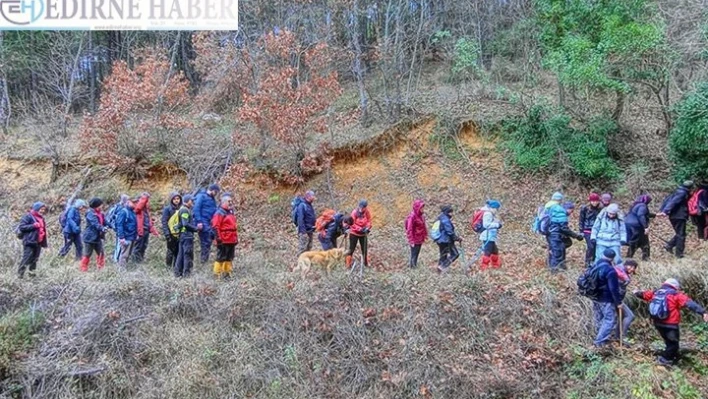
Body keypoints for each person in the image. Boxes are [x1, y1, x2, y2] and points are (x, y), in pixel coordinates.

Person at [634, 278, 708, 366]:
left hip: (657, 323)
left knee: (668, 341)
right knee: (674, 345)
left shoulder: (656, 292)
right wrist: (703, 312)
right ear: (675, 287)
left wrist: (636, 292)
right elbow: (690, 304)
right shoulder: (675, 294)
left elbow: (643, 295)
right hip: (670, 325)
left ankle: (672, 357)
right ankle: (664, 360)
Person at [591, 249, 622, 348]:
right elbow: (613, 288)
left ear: (603, 255)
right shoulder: (610, 270)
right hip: (606, 298)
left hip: (595, 296)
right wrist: (618, 302)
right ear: (612, 258)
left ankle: (596, 336)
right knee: (609, 320)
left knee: (598, 318)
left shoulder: (595, 265)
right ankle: (599, 342)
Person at [658, 181, 694, 258]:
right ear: (690, 187)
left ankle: (669, 245)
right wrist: (665, 211)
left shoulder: (679, 191)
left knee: (680, 234)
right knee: (681, 235)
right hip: (679, 216)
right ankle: (679, 254)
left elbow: (668, 200)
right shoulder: (682, 193)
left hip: (675, 216)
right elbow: (673, 202)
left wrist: (664, 210)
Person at [547, 199, 583, 272]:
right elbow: (564, 229)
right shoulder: (562, 214)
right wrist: (576, 236)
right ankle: (554, 270)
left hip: (551, 234)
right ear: (568, 209)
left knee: (561, 247)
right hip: (555, 235)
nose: (571, 213)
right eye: (571, 211)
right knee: (557, 252)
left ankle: (560, 266)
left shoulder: (556, 212)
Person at [174, 194, 203, 278]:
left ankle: (177, 273)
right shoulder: (185, 210)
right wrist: (196, 228)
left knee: (181, 255)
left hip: (183, 236)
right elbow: (185, 224)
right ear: (187, 201)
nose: (192, 202)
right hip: (187, 236)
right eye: (191, 200)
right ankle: (187, 274)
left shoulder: (182, 209)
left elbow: (180, 224)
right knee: (187, 255)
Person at [17, 202, 48, 278]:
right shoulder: (28, 217)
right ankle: (20, 275)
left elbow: (43, 231)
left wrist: (45, 245)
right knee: (26, 258)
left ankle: (32, 276)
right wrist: (33, 226)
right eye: (41, 209)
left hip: (38, 243)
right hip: (29, 242)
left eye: (44, 209)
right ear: (37, 208)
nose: (42, 211)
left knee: (34, 260)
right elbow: (22, 227)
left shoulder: (42, 218)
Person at [211, 194, 238, 280]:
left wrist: (235, 238)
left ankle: (227, 274)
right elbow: (215, 226)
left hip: (231, 238)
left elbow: (233, 226)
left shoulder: (231, 212)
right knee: (221, 257)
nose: (230, 203)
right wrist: (218, 238)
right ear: (223, 202)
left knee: (229, 257)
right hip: (223, 239)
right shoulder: (219, 213)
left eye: (231, 201)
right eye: (228, 201)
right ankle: (216, 275)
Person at [194, 184, 220, 264]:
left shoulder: (212, 199)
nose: (216, 194)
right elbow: (196, 208)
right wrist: (199, 221)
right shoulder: (201, 196)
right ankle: (203, 262)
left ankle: (204, 260)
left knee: (209, 241)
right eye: (216, 192)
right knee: (205, 241)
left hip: (210, 223)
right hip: (203, 222)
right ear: (212, 190)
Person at [614, 259, 638, 345]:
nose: (632, 270)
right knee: (630, 316)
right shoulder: (619, 273)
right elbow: (615, 287)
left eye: (633, 268)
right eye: (631, 267)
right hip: (615, 299)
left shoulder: (623, 273)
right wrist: (618, 301)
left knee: (622, 316)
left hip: (616, 299)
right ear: (627, 265)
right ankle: (622, 337)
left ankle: (617, 337)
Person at [80, 198, 107, 272]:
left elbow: (105, 222)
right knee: (87, 254)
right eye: (101, 205)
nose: (102, 206)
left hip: (97, 237)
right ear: (96, 205)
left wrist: (113, 226)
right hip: (89, 237)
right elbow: (95, 223)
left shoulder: (101, 214)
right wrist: (102, 228)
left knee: (101, 253)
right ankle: (83, 269)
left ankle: (101, 268)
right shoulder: (90, 213)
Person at [131, 193, 159, 263]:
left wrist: (154, 230)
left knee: (144, 246)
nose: (147, 202)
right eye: (145, 200)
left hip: (146, 230)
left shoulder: (146, 210)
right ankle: (135, 262)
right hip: (140, 230)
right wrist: (144, 198)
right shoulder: (137, 206)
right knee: (138, 247)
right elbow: (137, 209)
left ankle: (140, 261)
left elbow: (147, 220)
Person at [625, 195, 653, 260]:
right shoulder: (643, 206)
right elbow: (641, 215)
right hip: (637, 226)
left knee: (637, 241)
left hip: (629, 224)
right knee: (642, 242)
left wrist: (655, 215)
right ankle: (645, 258)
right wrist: (645, 227)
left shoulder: (635, 205)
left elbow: (645, 214)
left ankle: (629, 256)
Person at [347, 200, 372, 270]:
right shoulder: (354, 213)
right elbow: (352, 224)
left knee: (365, 249)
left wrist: (367, 227)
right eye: (360, 207)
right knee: (351, 249)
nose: (361, 209)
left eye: (363, 207)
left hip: (363, 234)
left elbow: (369, 220)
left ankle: (366, 263)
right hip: (354, 233)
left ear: (365, 207)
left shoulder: (367, 212)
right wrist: (360, 229)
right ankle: (348, 264)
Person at [435, 205, 461, 272]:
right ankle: (442, 266)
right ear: (447, 212)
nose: (451, 214)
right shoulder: (445, 220)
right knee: (455, 254)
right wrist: (457, 238)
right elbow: (449, 232)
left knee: (443, 255)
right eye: (450, 212)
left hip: (440, 240)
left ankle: (439, 270)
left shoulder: (441, 217)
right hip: (446, 240)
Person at [579, 193, 603, 267]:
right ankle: (588, 262)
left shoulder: (601, 209)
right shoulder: (585, 208)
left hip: (597, 230)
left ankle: (594, 261)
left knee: (596, 246)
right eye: (592, 201)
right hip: (587, 229)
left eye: (596, 201)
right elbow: (581, 220)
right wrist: (581, 231)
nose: (594, 203)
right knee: (591, 246)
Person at [161, 192, 182, 269]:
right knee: (170, 252)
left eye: (178, 199)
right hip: (170, 234)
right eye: (175, 199)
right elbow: (164, 221)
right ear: (171, 200)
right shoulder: (167, 209)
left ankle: (175, 267)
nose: (176, 201)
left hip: (179, 233)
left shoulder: (182, 209)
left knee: (178, 251)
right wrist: (167, 234)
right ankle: (168, 267)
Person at [479, 200, 502, 270]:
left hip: (491, 236)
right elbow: (486, 225)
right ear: (493, 208)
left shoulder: (491, 214)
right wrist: (497, 225)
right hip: (487, 236)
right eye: (496, 209)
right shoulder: (488, 214)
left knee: (495, 251)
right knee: (487, 252)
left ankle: (495, 266)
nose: (497, 210)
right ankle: (484, 267)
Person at [115, 200, 138, 269]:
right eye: (133, 202)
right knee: (124, 254)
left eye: (136, 203)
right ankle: (121, 270)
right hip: (126, 237)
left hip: (132, 237)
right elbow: (120, 225)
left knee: (128, 254)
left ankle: (124, 268)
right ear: (128, 202)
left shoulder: (133, 212)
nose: (135, 204)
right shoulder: (124, 212)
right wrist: (121, 237)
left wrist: (136, 235)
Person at [405, 199, 427, 269]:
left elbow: (423, 226)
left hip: (419, 238)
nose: (423, 209)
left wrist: (425, 235)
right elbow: (409, 229)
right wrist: (411, 240)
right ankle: (413, 268)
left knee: (417, 254)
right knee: (414, 254)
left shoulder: (421, 216)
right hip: (415, 238)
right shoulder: (412, 216)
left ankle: (414, 266)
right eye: (421, 207)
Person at [109, 194, 129, 263]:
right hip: (120, 231)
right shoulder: (121, 210)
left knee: (119, 246)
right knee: (119, 246)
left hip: (120, 230)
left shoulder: (118, 207)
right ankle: (116, 260)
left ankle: (116, 259)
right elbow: (120, 224)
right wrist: (121, 236)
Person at [296, 190, 316, 256]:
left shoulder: (309, 205)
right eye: (312, 196)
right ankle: (299, 263)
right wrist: (303, 232)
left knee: (309, 247)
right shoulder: (302, 205)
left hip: (310, 230)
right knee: (302, 248)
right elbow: (300, 220)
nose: (314, 198)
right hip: (304, 232)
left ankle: (306, 263)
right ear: (308, 196)